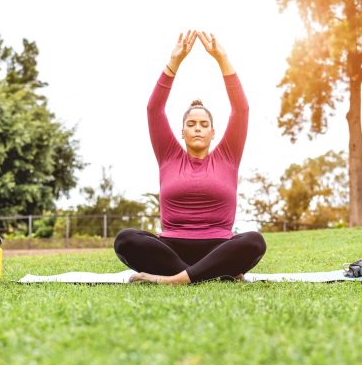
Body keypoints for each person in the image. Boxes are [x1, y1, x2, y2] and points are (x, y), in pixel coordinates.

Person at [113, 30, 266, 284]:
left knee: (254, 241)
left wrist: (222, 58)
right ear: (182, 132)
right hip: (171, 249)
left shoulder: (228, 155)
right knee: (125, 239)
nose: (197, 128)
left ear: (213, 132)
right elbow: (154, 109)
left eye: (204, 125)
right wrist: (175, 61)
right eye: (191, 124)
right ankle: (208, 273)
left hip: (219, 246)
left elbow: (241, 109)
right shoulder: (169, 155)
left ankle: (173, 279)